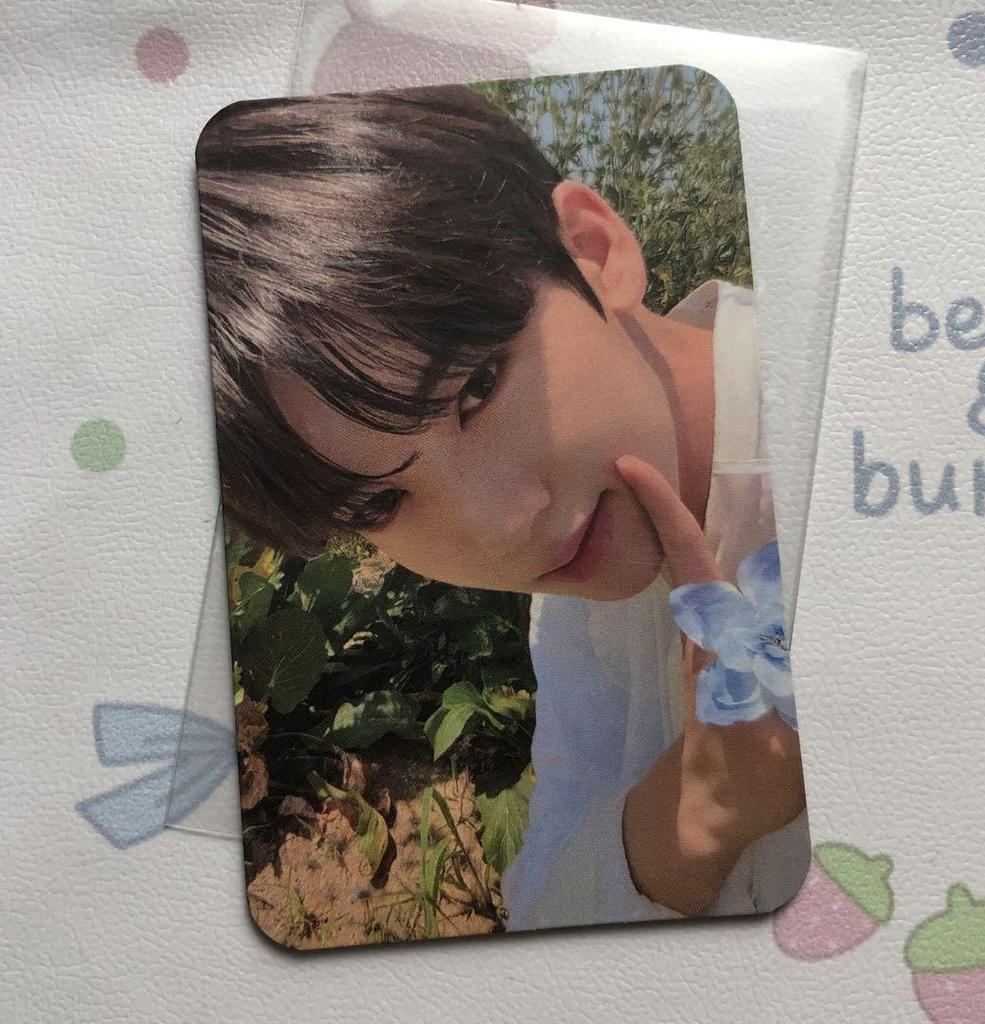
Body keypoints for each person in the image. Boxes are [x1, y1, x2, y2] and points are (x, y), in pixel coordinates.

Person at [195, 83, 809, 930]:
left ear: (593, 250)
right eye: (378, 504)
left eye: (479, 388)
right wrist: (696, 815)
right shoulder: (576, 602)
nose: (500, 526)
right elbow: (542, 900)